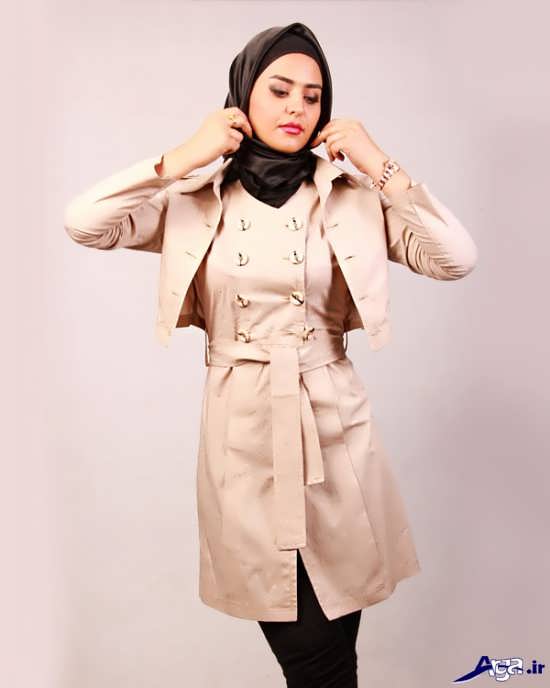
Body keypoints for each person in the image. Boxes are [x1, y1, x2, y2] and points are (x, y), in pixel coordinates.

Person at [64, 21, 478, 688]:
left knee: (330, 657)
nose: (297, 108)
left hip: (335, 436)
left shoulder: (350, 198)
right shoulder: (195, 200)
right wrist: (183, 156)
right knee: (311, 654)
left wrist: (379, 163)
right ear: (242, 98)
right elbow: (84, 221)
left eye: (313, 97)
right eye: (279, 90)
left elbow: (455, 258)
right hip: (244, 436)